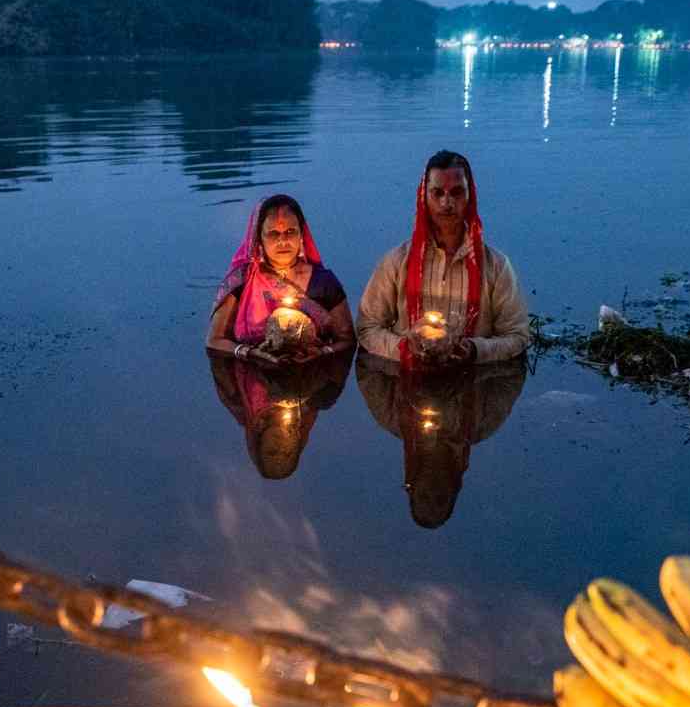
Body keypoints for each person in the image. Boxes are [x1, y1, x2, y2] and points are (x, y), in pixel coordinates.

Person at [357, 150, 530, 367]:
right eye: (437, 193)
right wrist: (404, 349)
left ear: (470, 196)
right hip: (407, 381)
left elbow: (517, 336)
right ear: (424, 196)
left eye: (456, 192)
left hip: (471, 383)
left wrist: (475, 350)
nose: (446, 203)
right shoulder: (397, 261)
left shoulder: (496, 266)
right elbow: (367, 328)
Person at [357, 353, 526, 528]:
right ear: (453, 490)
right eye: (440, 499)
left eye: (424, 496)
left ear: (412, 486)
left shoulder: (390, 416)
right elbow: (511, 379)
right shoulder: (484, 423)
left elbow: (367, 370)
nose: (432, 490)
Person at [208, 194, 355, 366]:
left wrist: (322, 352)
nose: (283, 241)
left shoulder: (324, 282)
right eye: (273, 234)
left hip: (312, 374)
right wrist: (250, 353)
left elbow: (347, 340)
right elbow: (215, 341)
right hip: (253, 373)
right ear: (258, 239)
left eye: (290, 232)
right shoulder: (243, 280)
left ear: (301, 235)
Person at [208, 347, 353, 479]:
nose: (282, 446)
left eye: (272, 452)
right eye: (288, 454)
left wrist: (249, 351)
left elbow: (219, 351)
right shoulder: (321, 398)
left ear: (259, 443)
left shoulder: (237, 399)